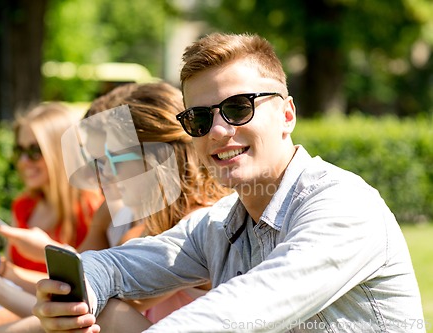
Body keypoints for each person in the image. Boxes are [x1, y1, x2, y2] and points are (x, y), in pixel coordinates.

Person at [33, 32, 425, 333]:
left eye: (239, 108)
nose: (218, 131)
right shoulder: (218, 225)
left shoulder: (344, 206)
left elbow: (250, 307)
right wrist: (71, 294)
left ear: (287, 115)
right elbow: (116, 267)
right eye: (200, 119)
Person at [0, 82, 229, 333]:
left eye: (107, 160)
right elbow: (73, 294)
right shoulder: (116, 211)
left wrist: (4, 278)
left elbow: (85, 309)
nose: (97, 175)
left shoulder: (196, 224)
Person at [0, 103, 102, 332]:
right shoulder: (24, 206)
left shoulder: (90, 209)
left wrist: (2, 265)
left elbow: (85, 287)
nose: (23, 161)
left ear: (60, 152)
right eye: (19, 150)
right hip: (13, 296)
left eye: (34, 151)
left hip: (47, 306)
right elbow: (9, 270)